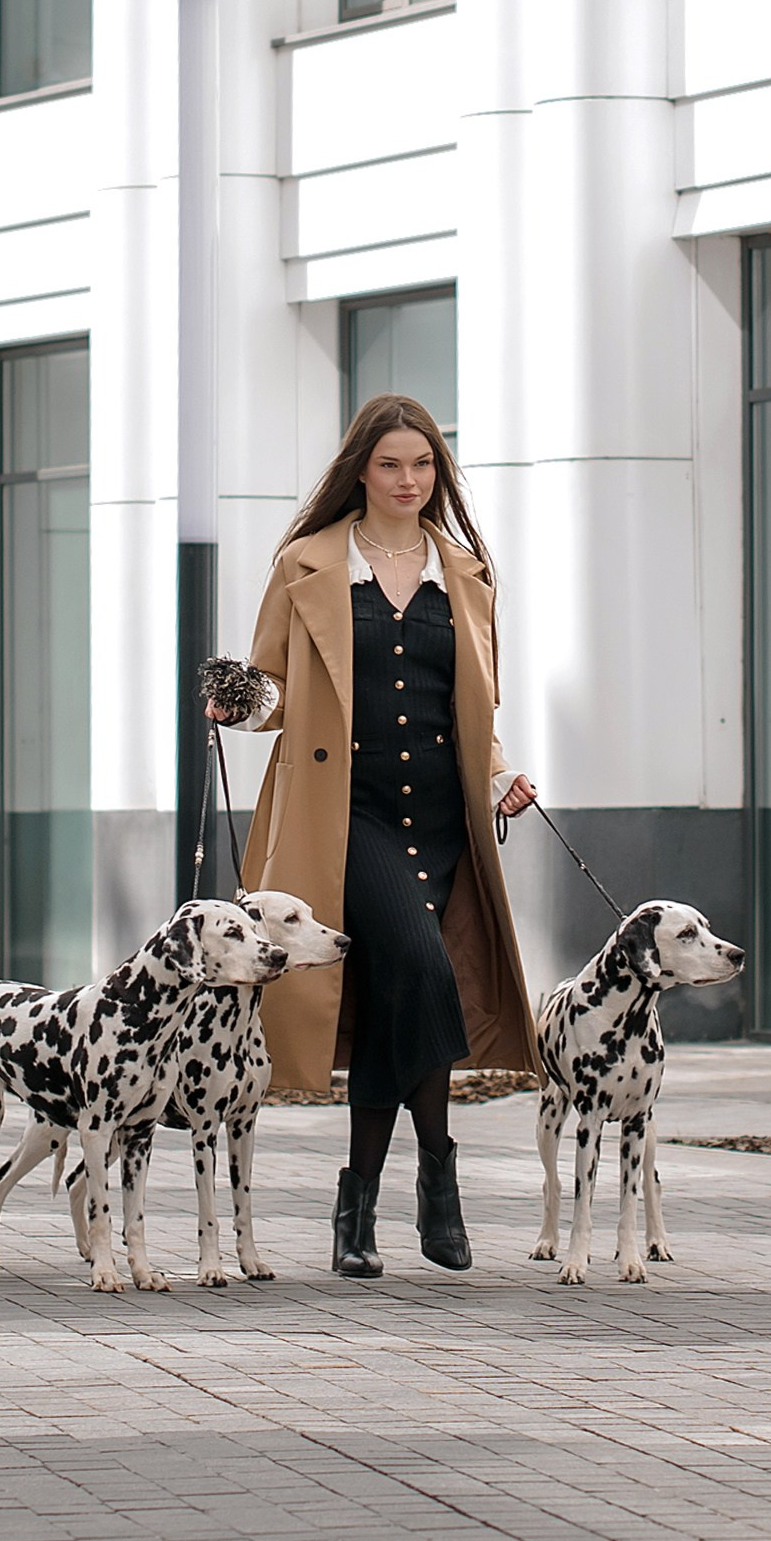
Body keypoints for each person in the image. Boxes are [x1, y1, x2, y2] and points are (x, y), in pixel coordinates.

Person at [207, 395, 541, 1278]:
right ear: (361, 469)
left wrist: (501, 777)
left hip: (442, 815)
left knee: (404, 999)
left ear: (440, 473)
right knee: (426, 972)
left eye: (423, 465)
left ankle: (356, 1208)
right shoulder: (308, 563)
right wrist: (239, 702)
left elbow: (481, 706)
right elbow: (273, 687)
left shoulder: (466, 573)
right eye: (391, 464)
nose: (408, 481)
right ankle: (439, 1183)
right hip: (342, 812)